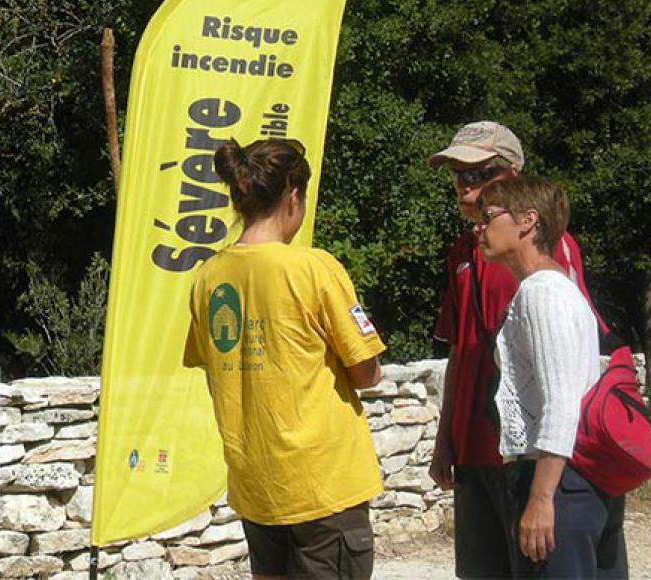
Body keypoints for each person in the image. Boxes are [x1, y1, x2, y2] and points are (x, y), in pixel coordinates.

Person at [426, 121, 625, 578]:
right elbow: (461, 349)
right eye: (457, 174)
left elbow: (567, 374)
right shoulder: (466, 249)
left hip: (529, 454)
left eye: (479, 173)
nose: (464, 185)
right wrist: (445, 438)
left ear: (513, 174)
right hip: (476, 446)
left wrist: (543, 491)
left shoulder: (546, 254)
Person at [183, 138, 385, 580]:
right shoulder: (313, 268)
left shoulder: (208, 278)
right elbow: (366, 372)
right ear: (294, 196)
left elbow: (216, 360)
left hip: (259, 486)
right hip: (324, 485)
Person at [477, 174, 622, 577]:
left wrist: (541, 499)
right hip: (574, 480)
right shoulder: (555, 287)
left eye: (488, 216)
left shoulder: (541, 293)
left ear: (528, 221)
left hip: (559, 482)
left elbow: (560, 403)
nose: (479, 228)